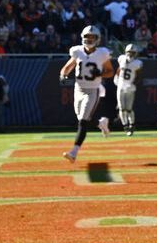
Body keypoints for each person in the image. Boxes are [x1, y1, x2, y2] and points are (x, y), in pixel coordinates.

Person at [59, 25, 115, 162]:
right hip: (78, 90)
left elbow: (110, 72)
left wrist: (100, 73)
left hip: (93, 90)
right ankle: (102, 123)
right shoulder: (77, 51)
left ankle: (74, 152)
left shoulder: (102, 53)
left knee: (83, 121)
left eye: (92, 37)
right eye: (87, 37)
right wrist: (63, 75)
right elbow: (68, 67)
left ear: (98, 39)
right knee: (83, 119)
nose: (89, 39)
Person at [114, 44, 143, 136]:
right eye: (129, 52)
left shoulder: (137, 63)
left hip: (130, 87)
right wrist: (117, 79)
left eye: (132, 52)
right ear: (126, 52)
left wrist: (133, 84)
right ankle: (125, 126)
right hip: (120, 86)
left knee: (129, 109)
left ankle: (132, 125)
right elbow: (119, 70)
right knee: (122, 109)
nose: (130, 54)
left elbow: (139, 76)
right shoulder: (121, 59)